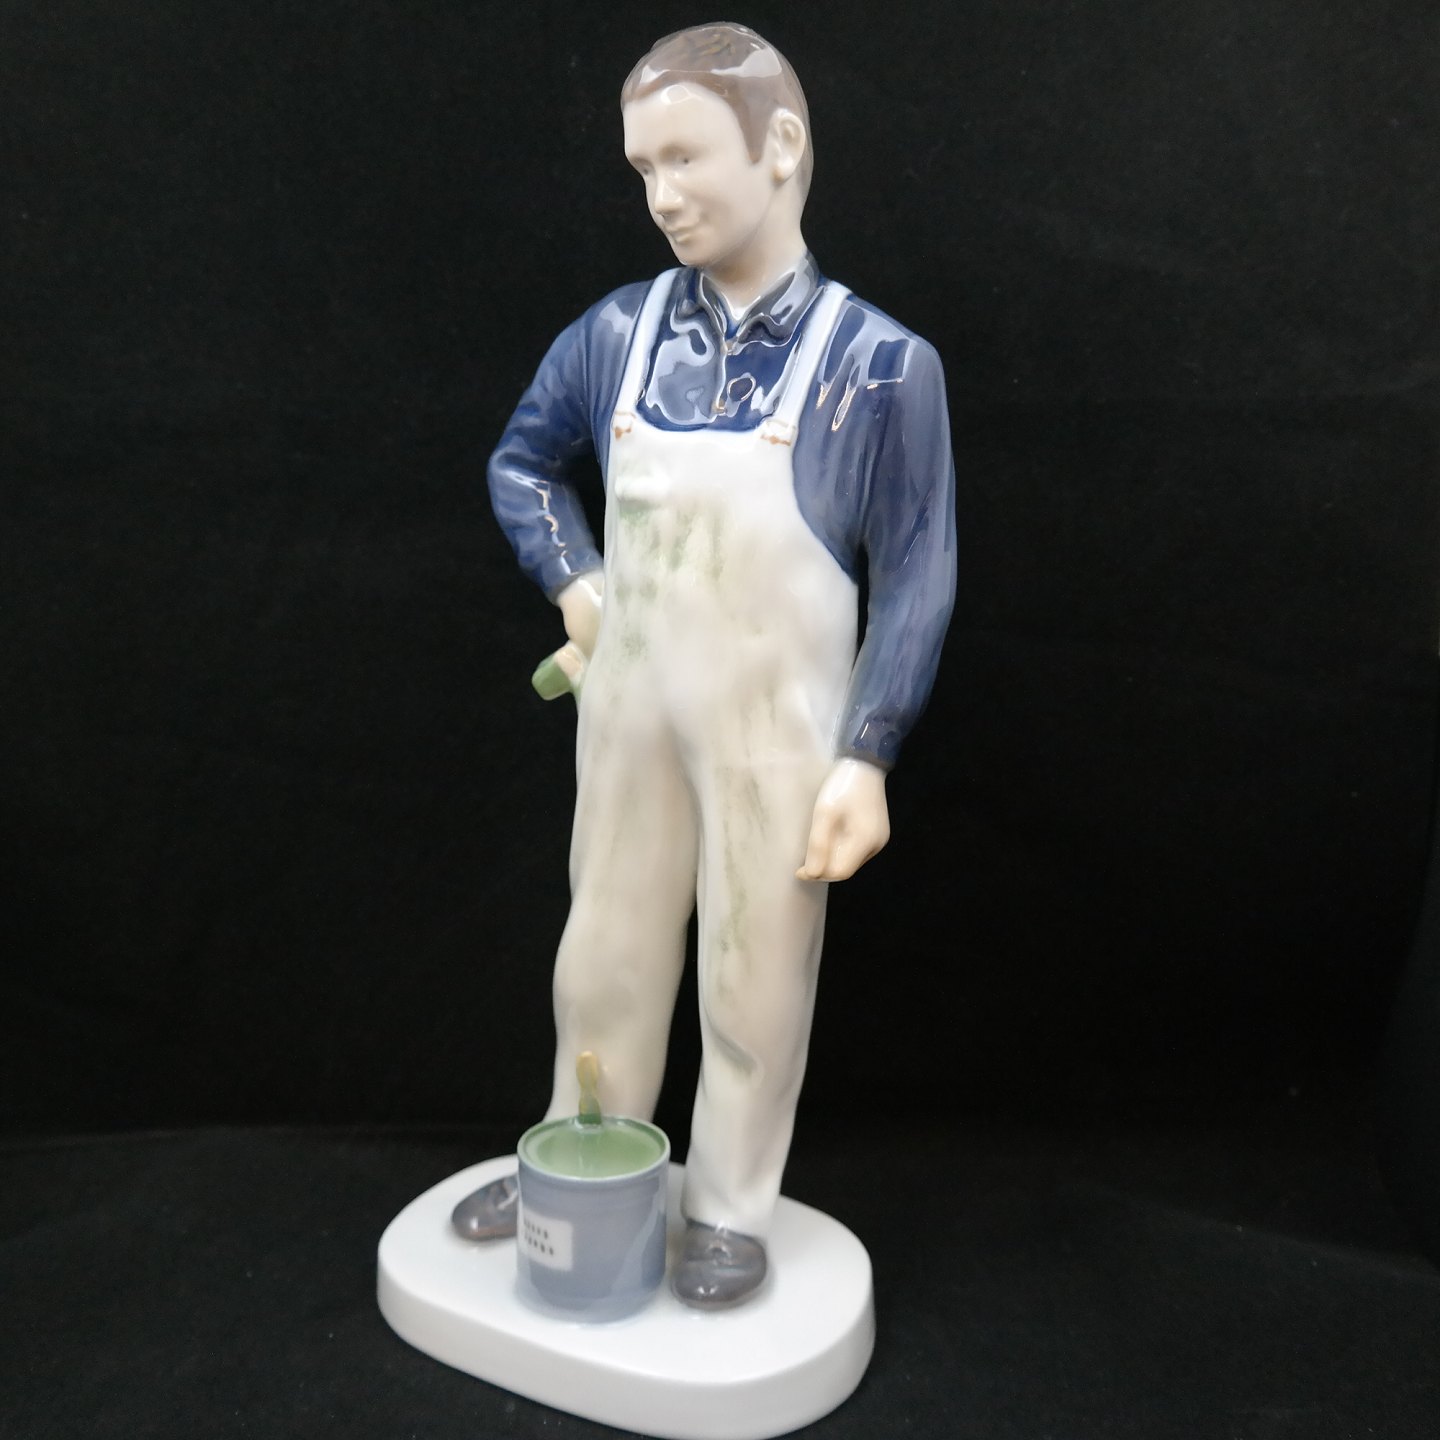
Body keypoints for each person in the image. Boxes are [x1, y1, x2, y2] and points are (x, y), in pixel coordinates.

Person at [458, 22, 956, 1309]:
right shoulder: (616, 335)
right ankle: (582, 1153)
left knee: (753, 972)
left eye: (684, 158)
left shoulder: (877, 366)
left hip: (772, 733)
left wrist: (869, 751)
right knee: (604, 951)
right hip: (627, 718)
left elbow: (917, 571)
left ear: (780, 146)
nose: (661, 196)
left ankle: (729, 1205)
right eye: (642, 169)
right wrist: (578, 583)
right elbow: (523, 463)